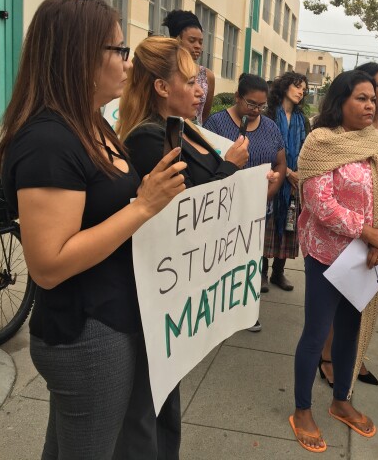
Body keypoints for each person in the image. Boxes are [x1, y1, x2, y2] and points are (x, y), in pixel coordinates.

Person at [0, 0, 187, 459]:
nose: (127, 62)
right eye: (119, 50)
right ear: (79, 55)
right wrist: (142, 206)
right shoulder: (47, 140)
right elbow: (48, 264)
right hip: (86, 334)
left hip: (110, 320)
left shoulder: (91, 124)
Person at [113, 36, 251, 459]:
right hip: (153, 289)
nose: (200, 90)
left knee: (164, 398)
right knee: (145, 404)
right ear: (160, 86)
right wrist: (232, 170)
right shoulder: (147, 138)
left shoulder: (180, 128)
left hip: (174, 288)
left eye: (200, 82)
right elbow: (188, 206)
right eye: (190, 81)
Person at [290, 70, 378, 452]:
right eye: (361, 97)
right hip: (327, 256)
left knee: (350, 330)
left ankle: (341, 400)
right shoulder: (321, 142)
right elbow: (318, 202)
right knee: (317, 331)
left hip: (368, 260)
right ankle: (302, 409)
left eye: (372, 98)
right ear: (339, 101)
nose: (370, 104)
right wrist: (366, 231)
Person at [317, 62, 378, 389]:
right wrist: (367, 231)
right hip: (344, 236)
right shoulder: (328, 138)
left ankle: (353, 356)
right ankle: (327, 357)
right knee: (334, 307)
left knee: (363, 302)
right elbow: (321, 200)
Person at [205, 73, 287, 331]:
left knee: (250, 261)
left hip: (259, 209)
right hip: (223, 208)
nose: (255, 111)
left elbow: (281, 163)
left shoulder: (271, 127)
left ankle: (247, 311)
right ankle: (217, 311)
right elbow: (207, 164)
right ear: (237, 97)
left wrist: (268, 192)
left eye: (261, 106)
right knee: (220, 261)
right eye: (250, 104)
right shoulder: (216, 124)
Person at [263, 72, 310, 291]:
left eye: (304, 88)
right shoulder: (269, 115)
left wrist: (297, 174)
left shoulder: (303, 120)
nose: (301, 91)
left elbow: (307, 151)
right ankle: (261, 273)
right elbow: (265, 148)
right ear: (284, 87)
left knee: (289, 225)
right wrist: (287, 172)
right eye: (297, 86)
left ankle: (278, 273)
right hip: (272, 177)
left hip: (293, 184)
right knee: (267, 227)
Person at [163, 10, 215, 125]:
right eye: (192, 41)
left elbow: (204, 115)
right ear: (175, 39)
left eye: (200, 42)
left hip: (195, 134)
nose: (197, 46)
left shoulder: (207, 76)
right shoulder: (164, 70)